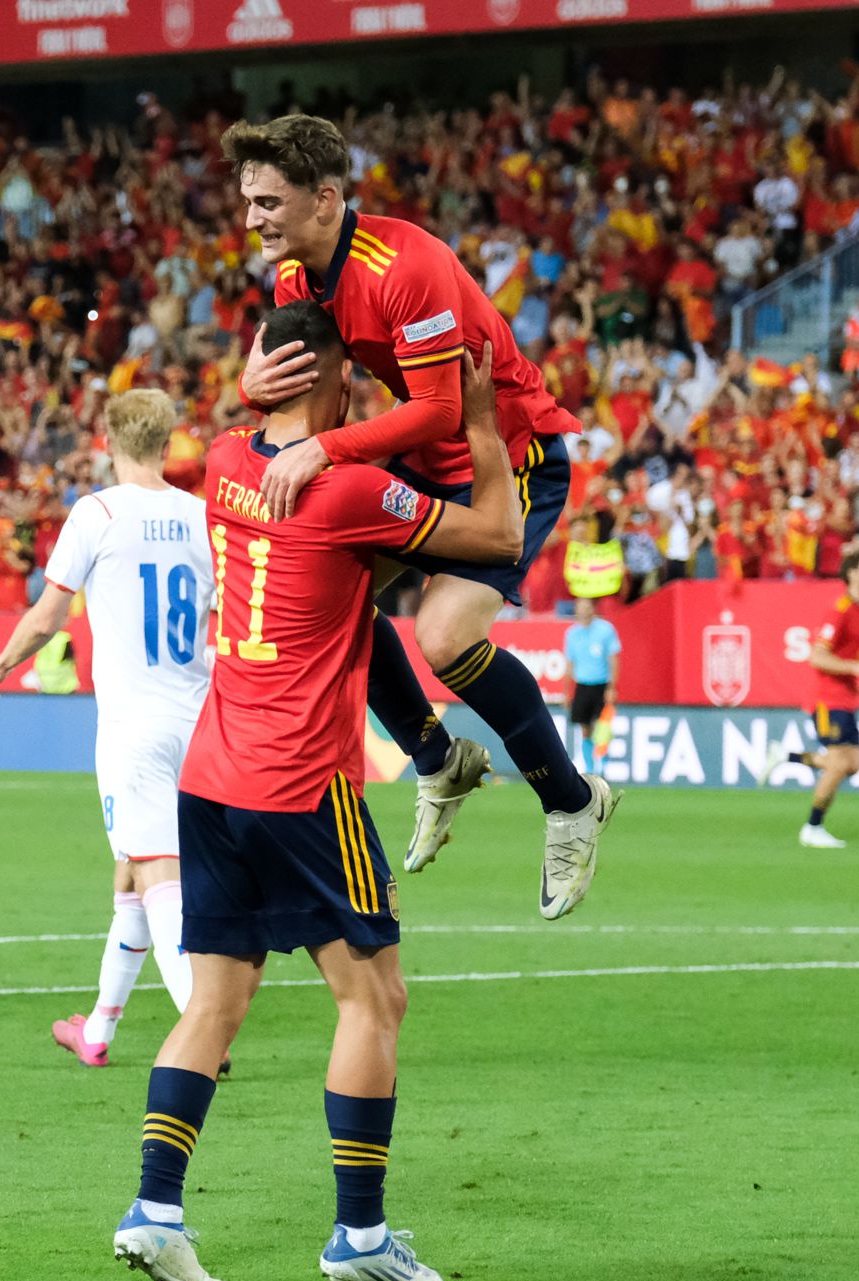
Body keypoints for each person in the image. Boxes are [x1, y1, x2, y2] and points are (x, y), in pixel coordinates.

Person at [110, 307, 524, 1281]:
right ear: (336, 374)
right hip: (305, 783)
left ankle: (154, 1211)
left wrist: (265, 403)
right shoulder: (347, 487)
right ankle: (360, 1235)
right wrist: (476, 422)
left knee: (213, 1002)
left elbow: (264, 449)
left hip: (211, 778)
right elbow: (500, 534)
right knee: (372, 995)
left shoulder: (219, 459)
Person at [227, 114, 615, 922]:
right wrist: (251, 391)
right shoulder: (297, 280)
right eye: (248, 200)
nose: (253, 218)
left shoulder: (408, 268)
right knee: (324, 588)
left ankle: (572, 801)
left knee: (444, 639)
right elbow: (293, 390)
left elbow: (442, 411)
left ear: (326, 199)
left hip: (507, 455)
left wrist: (326, 450)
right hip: (426, 450)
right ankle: (437, 757)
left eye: (268, 200)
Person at [0, 389, 215, 1070]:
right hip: (198, 718)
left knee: (156, 868)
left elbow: (49, 616)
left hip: (134, 728)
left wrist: (2, 659)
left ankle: (204, 1028)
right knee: (132, 873)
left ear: (108, 441)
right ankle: (98, 1029)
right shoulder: (201, 517)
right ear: (168, 447)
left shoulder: (97, 513)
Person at [757, 548, 859, 848]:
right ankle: (812, 827)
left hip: (845, 699)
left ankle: (786, 756)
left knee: (852, 764)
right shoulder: (841, 609)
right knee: (839, 763)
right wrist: (854, 667)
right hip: (828, 699)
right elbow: (816, 657)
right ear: (852, 573)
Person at [562, 596, 621, 773]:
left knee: (602, 727)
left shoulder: (606, 630)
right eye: (580, 608)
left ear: (593, 609)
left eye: (586, 608)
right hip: (582, 685)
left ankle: (602, 767)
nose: (583, 612)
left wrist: (612, 687)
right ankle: (589, 767)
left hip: (601, 684)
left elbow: (613, 660)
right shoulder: (572, 634)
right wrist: (567, 693)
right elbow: (570, 664)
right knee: (585, 728)